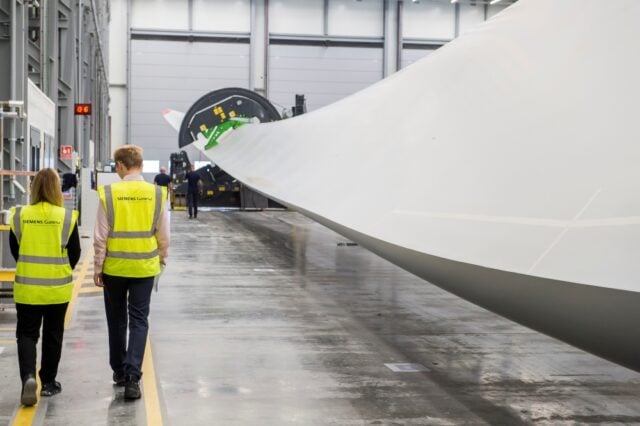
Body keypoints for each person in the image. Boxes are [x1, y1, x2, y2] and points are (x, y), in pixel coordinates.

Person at [93, 145, 169, 400]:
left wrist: (97, 267)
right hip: (144, 267)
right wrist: (162, 259)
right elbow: (164, 234)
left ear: (122, 166)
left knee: (116, 319)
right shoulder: (157, 193)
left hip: (114, 267)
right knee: (139, 320)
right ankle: (133, 377)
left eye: (117, 166)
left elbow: (100, 237)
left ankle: (120, 371)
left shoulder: (109, 193)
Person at [9, 168, 81, 406]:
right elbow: (75, 254)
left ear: (33, 188)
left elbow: (15, 250)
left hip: (28, 287)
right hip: (57, 288)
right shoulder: (66, 216)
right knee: (53, 334)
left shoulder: (18, 215)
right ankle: (48, 383)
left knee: (27, 334)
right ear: (56, 189)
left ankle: (28, 378)